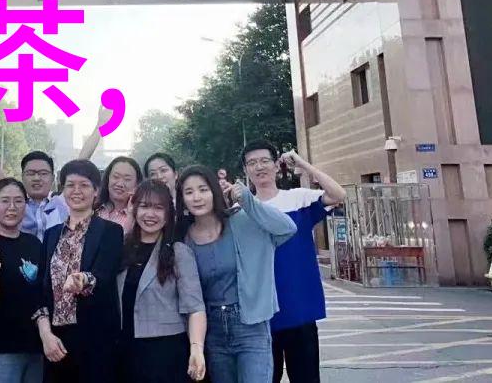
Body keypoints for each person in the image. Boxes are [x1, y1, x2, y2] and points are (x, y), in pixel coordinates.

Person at [179, 165, 297, 383]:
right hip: (212, 330)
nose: (197, 197)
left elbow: (287, 228)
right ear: (182, 200)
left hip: (250, 325)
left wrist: (247, 201)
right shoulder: (184, 239)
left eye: (203, 189)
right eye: (189, 192)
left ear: (214, 191)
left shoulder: (241, 220)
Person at [242, 142, 346, 383]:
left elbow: (338, 194)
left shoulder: (298, 199)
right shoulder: (242, 211)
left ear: (276, 165)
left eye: (264, 160)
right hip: (262, 316)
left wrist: (302, 163)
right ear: (246, 170)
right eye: (252, 163)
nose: (259, 167)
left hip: (300, 310)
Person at [0, 105, 113, 241]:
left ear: (53, 178)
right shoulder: (15, 203)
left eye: (43, 173)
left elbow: (81, 162)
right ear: (22, 177)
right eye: (31, 173)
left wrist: (99, 127)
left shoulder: (62, 203)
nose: (36, 178)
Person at [35, 159, 124, 383]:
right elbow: (41, 290)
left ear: (96, 191)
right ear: (62, 190)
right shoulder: (52, 234)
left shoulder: (111, 231)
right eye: (70, 185)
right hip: (56, 342)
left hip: (95, 341)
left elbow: (104, 274)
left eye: (84, 185)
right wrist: (45, 334)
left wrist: (83, 279)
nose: (77, 191)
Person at [116, 180, 207, 383]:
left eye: (158, 208)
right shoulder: (121, 248)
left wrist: (196, 348)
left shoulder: (178, 252)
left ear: (168, 214)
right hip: (125, 350)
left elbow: (195, 308)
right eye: (144, 206)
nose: (150, 214)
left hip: (166, 353)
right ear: (134, 208)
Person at [0, 178, 46, 383]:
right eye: (5, 201)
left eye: (18, 201)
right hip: (0, 349)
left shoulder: (34, 244)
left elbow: (41, 292)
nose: (12, 207)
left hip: (35, 347)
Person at [97, 156, 142, 235]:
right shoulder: (93, 208)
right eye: (116, 177)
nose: (120, 184)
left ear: (137, 184)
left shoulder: (141, 216)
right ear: (108, 179)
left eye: (127, 179)